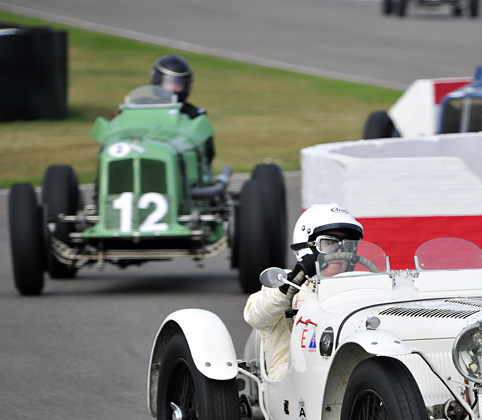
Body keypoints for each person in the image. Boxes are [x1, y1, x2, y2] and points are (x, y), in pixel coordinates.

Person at [244, 204, 364, 380]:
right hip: (291, 375)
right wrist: (290, 283)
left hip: (350, 370)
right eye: (329, 243)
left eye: (347, 245)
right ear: (308, 247)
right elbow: (256, 318)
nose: (339, 252)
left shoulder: (360, 286)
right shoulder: (282, 281)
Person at [150, 54, 216, 162]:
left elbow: (209, 153)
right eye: (170, 83)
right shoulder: (137, 108)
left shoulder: (194, 116)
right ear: (158, 81)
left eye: (179, 84)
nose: (175, 88)